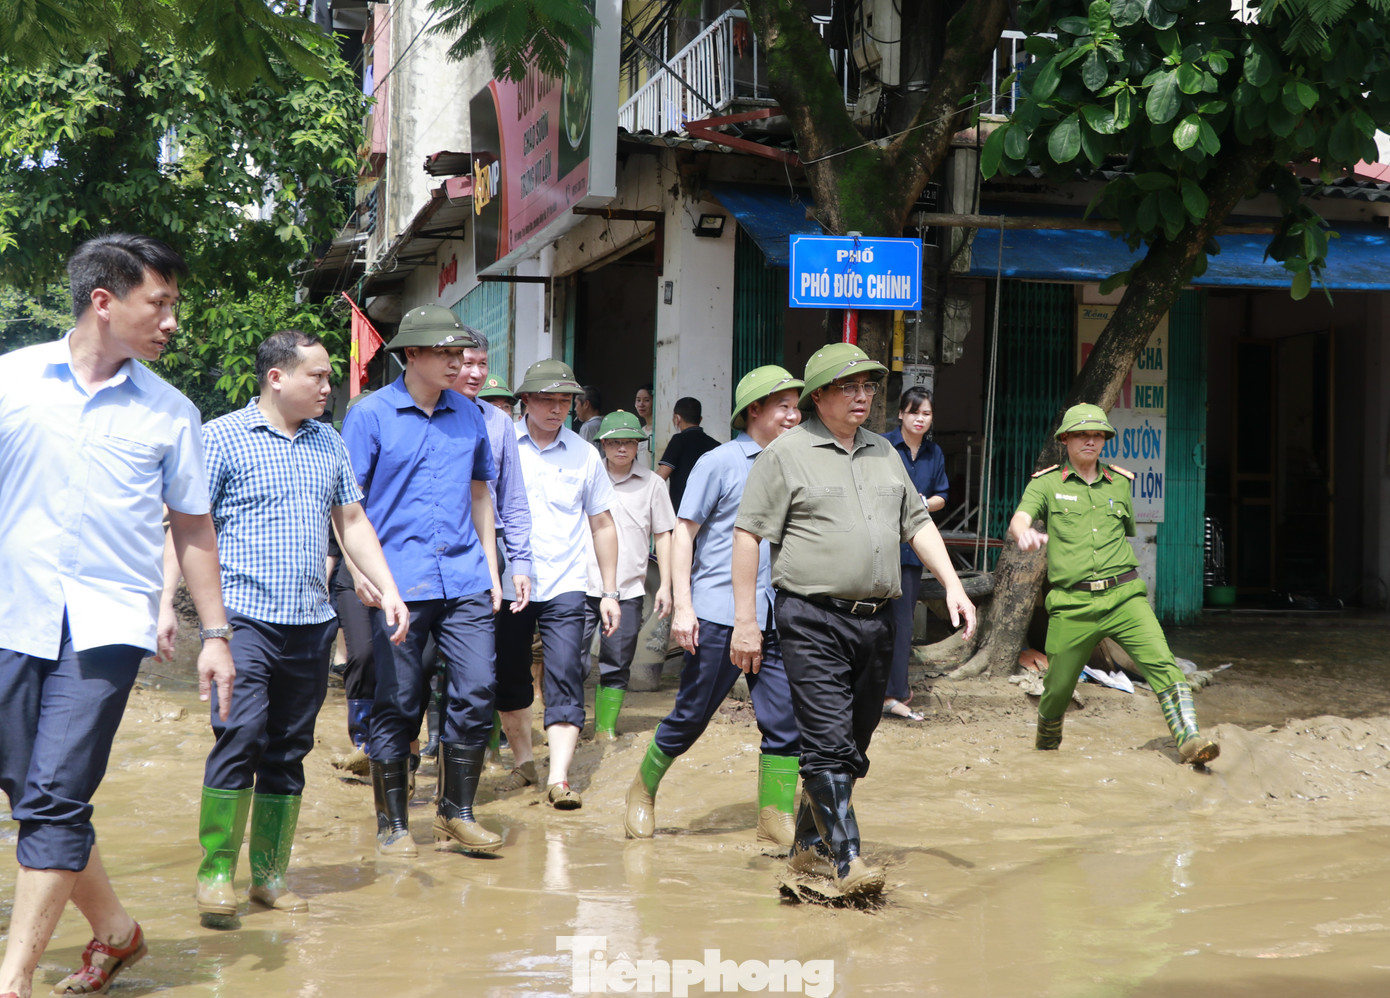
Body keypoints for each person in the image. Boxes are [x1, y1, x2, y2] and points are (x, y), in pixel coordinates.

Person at [0, 233, 234, 997]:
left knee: (56, 797)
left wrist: (215, 634)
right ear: (104, 302)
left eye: (174, 306)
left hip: (105, 628)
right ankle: (116, 934)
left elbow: (192, 527)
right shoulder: (11, 381)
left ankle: (13, 980)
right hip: (12, 613)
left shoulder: (171, 413)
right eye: (158, 304)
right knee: (28, 792)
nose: (172, 322)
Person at [167, 330, 408, 923]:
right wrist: (164, 601)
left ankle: (270, 876)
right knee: (240, 735)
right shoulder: (221, 437)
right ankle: (216, 873)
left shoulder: (329, 442)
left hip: (311, 622)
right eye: (317, 376)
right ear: (277, 377)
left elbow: (352, 520)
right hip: (241, 621)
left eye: (329, 378)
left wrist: (389, 588)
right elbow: (186, 524)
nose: (328, 388)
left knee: (290, 748)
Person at [732, 343, 977, 898]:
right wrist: (746, 622)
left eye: (868, 386)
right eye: (848, 386)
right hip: (810, 617)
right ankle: (848, 861)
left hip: (877, 621)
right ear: (818, 396)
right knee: (826, 740)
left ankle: (807, 846)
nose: (862, 395)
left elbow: (917, 524)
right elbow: (747, 536)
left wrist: (954, 585)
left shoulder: (884, 453)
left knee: (854, 742)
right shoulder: (786, 454)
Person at [341, 305, 504, 858]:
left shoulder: (470, 415)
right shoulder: (370, 415)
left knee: (477, 688)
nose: (458, 363)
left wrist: (492, 570)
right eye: (446, 353)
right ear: (411, 355)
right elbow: (345, 506)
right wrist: (360, 572)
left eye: (461, 353)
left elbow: (480, 494)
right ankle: (393, 825)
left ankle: (456, 813)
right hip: (399, 582)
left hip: (464, 578)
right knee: (400, 698)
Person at [625, 366, 804, 847]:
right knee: (691, 716)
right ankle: (642, 789)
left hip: (775, 614)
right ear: (754, 410)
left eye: (796, 406)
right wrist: (683, 607)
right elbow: (683, 534)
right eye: (784, 406)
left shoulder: (796, 463)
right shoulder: (719, 462)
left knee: (784, 720)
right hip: (718, 613)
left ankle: (775, 817)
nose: (794, 415)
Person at [1009, 403, 1220, 766]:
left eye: (1097, 435)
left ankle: (1190, 740)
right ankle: (1046, 746)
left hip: (1124, 596)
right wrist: (1024, 533)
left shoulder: (1120, 482)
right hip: (1073, 604)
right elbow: (1020, 518)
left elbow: (1122, 534)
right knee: (1057, 688)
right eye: (1081, 434)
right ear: (1065, 439)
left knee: (1163, 664)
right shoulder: (1046, 483)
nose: (1090, 441)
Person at [493, 359, 621, 810]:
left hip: (565, 583)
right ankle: (524, 762)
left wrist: (609, 592)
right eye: (547, 400)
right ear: (525, 401)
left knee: (566, 672)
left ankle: (559, 778)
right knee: (509, 674)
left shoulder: (584, 454)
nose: (557, 409)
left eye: (565, 401)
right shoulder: (502, 444)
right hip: (507, 583)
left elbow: (602, 523)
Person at [582, 410, 675, 739]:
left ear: (639, 446)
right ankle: (569, 724)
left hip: (628, 589)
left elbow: (664, 535)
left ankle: (605, 729)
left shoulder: (653, 484)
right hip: (581, 585)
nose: (622, 448)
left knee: (617, 660)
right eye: (614, 443)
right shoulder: (587, 477)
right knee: (570, 661)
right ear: (603, 445)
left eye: (629, 442)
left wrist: (665, 584)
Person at [883, 386, 950, 722]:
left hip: (912, 550)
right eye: (914, 412)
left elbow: (942, 496)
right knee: (870, 620)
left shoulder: (934, 453)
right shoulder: (882, 446)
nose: (920, 419)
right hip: (878, 547)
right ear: (901, 414)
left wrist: (923, 503)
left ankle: (893, 693)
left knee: (902, 623)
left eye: (926, 414)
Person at [656, 396, 719, 511]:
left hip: (682, 511)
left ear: (677, 418)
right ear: (700, 419)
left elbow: (660, 478)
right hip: (709, 511)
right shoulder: (716, 445)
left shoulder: (678, 440)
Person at [633, 382, 655, 467]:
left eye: (646, 400)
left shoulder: (660, 430)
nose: (641, 404)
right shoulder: (640, 431)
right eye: (638, 400)